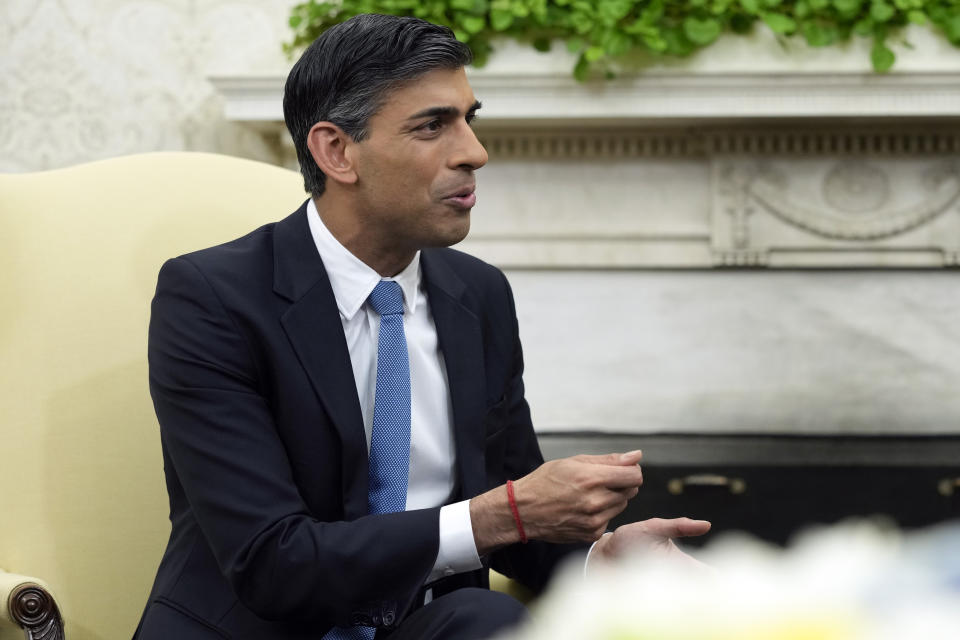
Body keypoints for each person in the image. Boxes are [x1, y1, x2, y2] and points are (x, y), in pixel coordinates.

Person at [135, 14, 710, 640]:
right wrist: (505, 515)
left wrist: (603, 561)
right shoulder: (213, 298)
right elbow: (274, 562)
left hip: (433, 625)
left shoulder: (478, 294)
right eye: (433, 126)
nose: (474, 153)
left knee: (488, 616)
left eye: (469, 119)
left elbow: (511, 517)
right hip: (257, 630)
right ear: (337, 151)